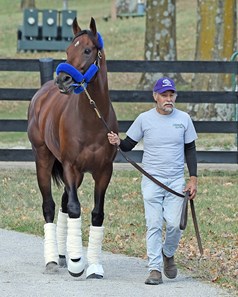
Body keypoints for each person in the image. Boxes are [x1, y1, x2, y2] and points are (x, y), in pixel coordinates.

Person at [107, 77, 198, 285]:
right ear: (155, 96)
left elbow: (190, 149)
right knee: (154, 223)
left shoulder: (183, 119)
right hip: (151, 180)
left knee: (176, 225)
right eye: (164, 95)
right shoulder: (144, 119)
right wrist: (117, 141)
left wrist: (193, 179)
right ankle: (155, 268)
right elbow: (128, 144)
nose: (168, 99)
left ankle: (168, 253)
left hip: (176, 181)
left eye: (171, 95)